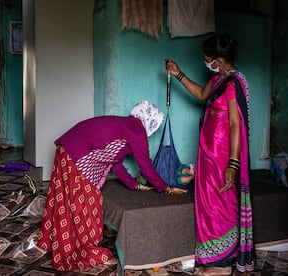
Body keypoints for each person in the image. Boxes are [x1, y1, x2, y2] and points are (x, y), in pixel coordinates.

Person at [37, 100, 187, 271]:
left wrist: (134, 185)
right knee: (86, 204)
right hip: (75, 157)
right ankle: (88, 252)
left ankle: (55, 240)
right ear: (149, 121)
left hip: (66, 151)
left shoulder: (126, 125)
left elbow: (116, 163)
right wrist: (166, 188)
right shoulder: (137, 130)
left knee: (65, 201)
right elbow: (146, 167)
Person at [166, 33, 255, 275]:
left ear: (220, 59)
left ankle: (223, 265)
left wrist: (233, 163)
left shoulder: (233, 83)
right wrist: (179, 74)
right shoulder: (219, 79)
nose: (206, 63)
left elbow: (236, 125)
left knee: (220, 203)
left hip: (222, 154)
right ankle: (212, 260)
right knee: (207, 202)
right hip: (207, 152)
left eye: (208, 59)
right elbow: (202, 95)